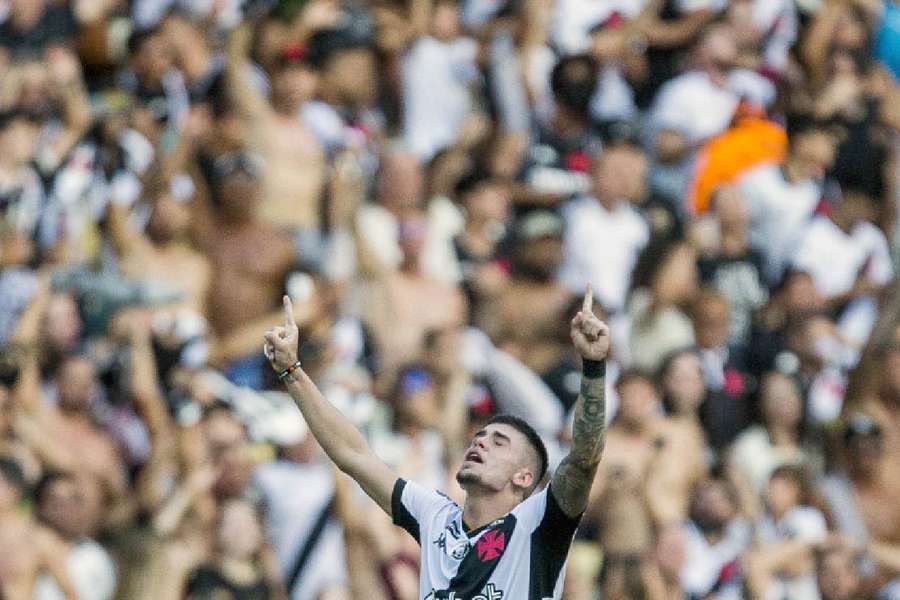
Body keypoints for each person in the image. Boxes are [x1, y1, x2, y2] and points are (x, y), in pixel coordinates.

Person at [263, 287, 610, 599]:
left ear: (523, 477)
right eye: (480, 437)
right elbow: (354, 455)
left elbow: (582, 460)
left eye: (499, 442)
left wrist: (593, 368)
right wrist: (291, 372)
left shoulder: (539, 523)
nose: (481, 443)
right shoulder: (436, 518)